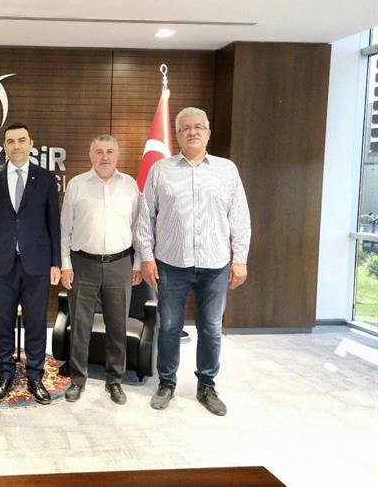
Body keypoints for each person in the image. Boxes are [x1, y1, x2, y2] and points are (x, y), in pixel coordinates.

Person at [135, 107, 251, 416]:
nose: (192, 131)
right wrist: (146, 257)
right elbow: (145, 218)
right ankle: (167, 383)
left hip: (215, 265)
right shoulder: (161, 170)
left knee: (211, 328)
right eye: (185, 127)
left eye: (198, 126)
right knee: (169, 326)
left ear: (208, 133)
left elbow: (239, 218)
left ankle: (207, 386)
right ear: (177, 135)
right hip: (171, 263)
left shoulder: (227, 170)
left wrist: (240, 258)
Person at [0, 122, 61, 404]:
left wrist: (56, 262)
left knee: (36, 322)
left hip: (37, 264)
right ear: (4, 146)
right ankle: (5, 374)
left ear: (30, 144)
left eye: (21, 140)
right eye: (11, 141)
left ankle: (35, 375)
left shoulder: (45, 178)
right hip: (1, 264)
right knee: (3, 323)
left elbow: (53, 223)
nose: (16, 146)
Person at [60, 134, 141, 404]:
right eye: (99, 151)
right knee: (80, 326)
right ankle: (77, 380)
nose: (104, 157)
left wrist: (138, 263)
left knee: (117, 326)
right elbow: (65, 229)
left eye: (109, 151)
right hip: (83, 263)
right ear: (90, 155)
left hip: (120, 264)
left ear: (117, 155)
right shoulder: (77, 185)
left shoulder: (130, 185)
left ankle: (114, 380)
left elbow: (138, 228)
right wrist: (65, 264)